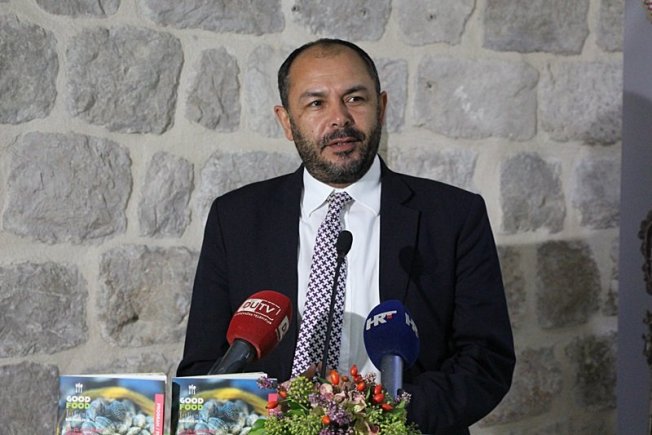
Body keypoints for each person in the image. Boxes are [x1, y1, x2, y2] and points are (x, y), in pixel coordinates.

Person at [177, 38, 515, 434]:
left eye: (355, 98)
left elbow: (485, 360)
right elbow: (203, 367)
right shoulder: (235, 218)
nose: (339, 119)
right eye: (316, 103)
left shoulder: (453, 215)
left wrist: (384, 419)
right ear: (286, 122)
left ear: (381, 108)